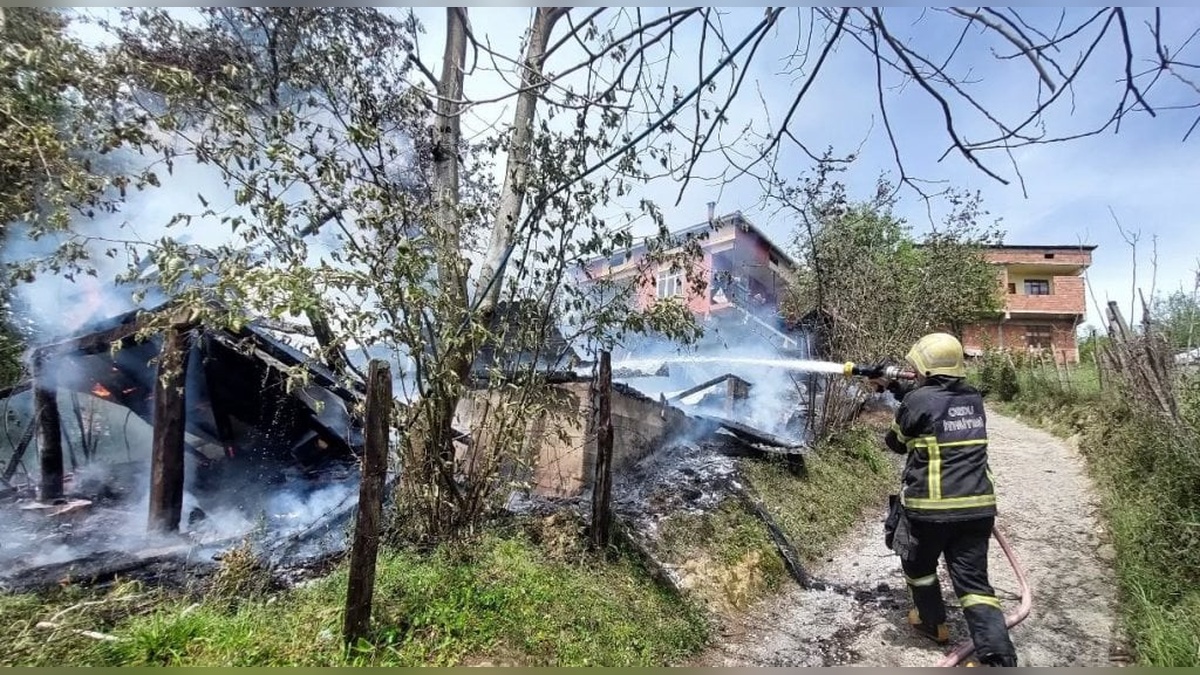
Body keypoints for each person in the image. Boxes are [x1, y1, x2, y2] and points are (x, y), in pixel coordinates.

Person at [873, 332, 1018, 668]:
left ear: (923, 367)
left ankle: (931, 622)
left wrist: (893, 390)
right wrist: (895, 386)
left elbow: (895, 442)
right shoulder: (972, 397)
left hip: (930, 513)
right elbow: (933, 405)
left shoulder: (917, 401)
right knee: (973, 582)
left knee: (919, 566)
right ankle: (998, 657)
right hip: (978, 509)